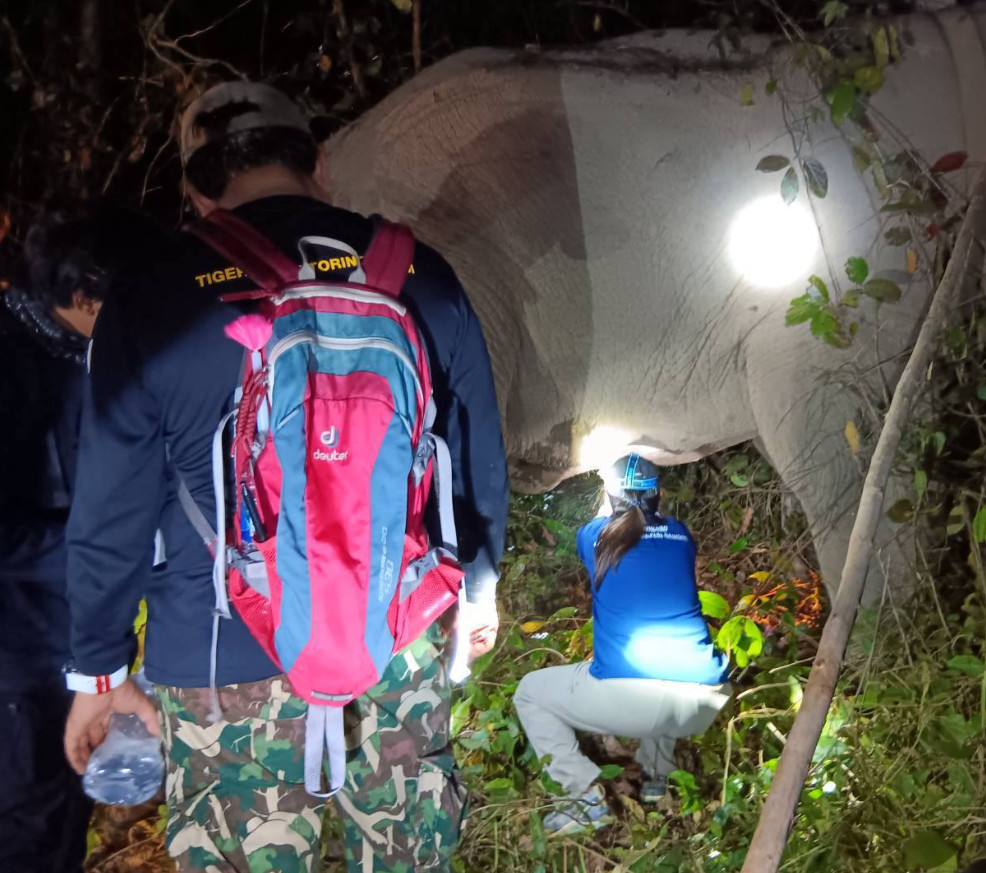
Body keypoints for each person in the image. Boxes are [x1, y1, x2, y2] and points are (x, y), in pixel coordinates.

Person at [61, 81, 509, 873]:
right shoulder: (421, 274)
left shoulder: (154, 296)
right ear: (320, 163)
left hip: (219, 654)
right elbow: (473, 458)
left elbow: (110, 508)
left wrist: (99, 669)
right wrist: (477, 589)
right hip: (393, 638)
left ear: (197, 191)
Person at [0, 204, 157, 873]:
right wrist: (105, 552)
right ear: (86, 295)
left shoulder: (84, 353)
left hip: (73, 647)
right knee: (27, 828)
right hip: (17, 659)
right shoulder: (14, 364)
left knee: (63, 819)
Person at [513, 454, 731, 837]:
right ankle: (656, 779)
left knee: (530, 692)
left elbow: (614, 527)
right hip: (707, 697)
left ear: (609, 498)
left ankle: (583, 799)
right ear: (659, 494)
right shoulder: (681, 536)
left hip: (634, 701)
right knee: (665, 659)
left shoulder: (594, 536)